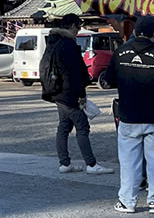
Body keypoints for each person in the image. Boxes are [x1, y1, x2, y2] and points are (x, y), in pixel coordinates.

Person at [104, 15, 154, 215]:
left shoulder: (120, 53)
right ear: (153, 34)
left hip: (128, 116)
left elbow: (108, 79)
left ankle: (127, 202)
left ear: (136, 32)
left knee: (129, 162)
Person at [46, 13, 114, 176]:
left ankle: (64, 162)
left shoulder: (53, 43)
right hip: (70, 94)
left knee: (64, 127)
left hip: (58, 92)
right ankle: (91, 164)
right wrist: (81, 95)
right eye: (78, 27)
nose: (79, 30)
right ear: (71, 26)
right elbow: (74, 73)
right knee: (82, 127)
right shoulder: (68, 44)